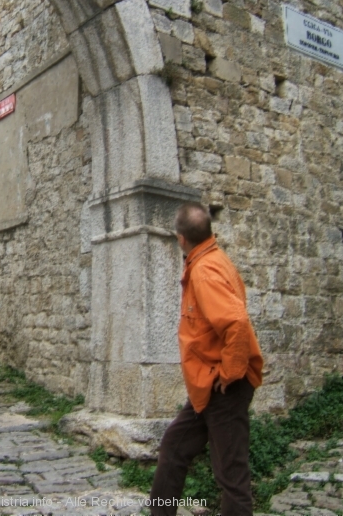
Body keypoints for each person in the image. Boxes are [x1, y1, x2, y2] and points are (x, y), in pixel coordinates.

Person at [149, 202, 264, 516]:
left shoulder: (204, 271)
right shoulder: (213, 259)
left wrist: (228, 374)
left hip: (223, 387)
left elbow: (236, 323)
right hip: (208, 387)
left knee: (231, 474)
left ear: (181, 239)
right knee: (174, 447)